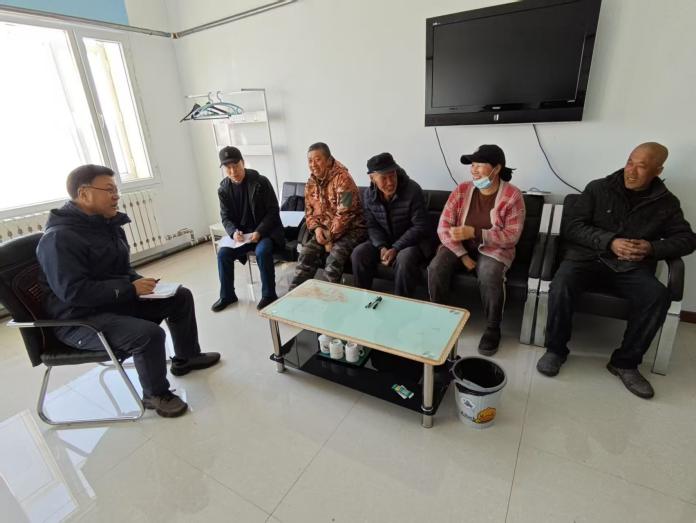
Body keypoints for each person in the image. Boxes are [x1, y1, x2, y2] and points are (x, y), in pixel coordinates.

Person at [37, 164, 220, 418]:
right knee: (148, 335)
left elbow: (122, 269)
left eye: (116, 190)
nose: (116, 196)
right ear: (84, 194)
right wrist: (129, 288)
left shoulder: (107, 225)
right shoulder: (59, 239)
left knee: (180, 296)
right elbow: (74, 292)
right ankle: (154, 394)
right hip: (80, 320)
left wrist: (140, 283)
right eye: (109, 190)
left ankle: (187, 357)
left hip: (113, 303)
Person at [536, 142, 696, 399]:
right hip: (586, 258)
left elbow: (687, 239)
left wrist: (651, 248)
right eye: (630, 162)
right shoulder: (598, 188)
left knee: (657, 295)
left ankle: (625, 363)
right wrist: (609, 241)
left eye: (641, 166)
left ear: (657, 171)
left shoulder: (666, 203)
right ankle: (555, 350)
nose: (631, 171)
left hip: (630, 267)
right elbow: (572, 226)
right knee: (562, 283)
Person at [428, 145, 525, 356]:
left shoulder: (512, 195)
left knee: (489, 273)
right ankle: (439, 317)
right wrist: (463, 256)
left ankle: (493, 328)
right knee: (436, 267)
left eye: (479, 165)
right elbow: (443, 227)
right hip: (459, 246)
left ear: (496, 168)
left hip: (494, 249)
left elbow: (511, 236)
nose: (474, 170)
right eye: (472, 165)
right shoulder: (462, 190)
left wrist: (476, 232)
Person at [212, 146, 285, 311]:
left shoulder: (260, 182)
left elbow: (273, 211)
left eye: (236, 166)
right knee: (223, 254)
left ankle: (269, 295)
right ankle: (227, 295)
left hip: (264, 233)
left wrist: (260, 231)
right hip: (242, 237)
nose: (233, 171)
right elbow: (225, 217)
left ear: (243, 163)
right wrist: (233, 232)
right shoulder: (223, 189)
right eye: (228, 168)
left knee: (263, 251)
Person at [351, 152, 430, 297]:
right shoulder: (368, 195)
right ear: (372, 178)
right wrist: (381, 246)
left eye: (392, 175)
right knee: (359, 253)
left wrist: (396, 247)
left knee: (404, 259)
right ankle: (362, 298)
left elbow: (420, 226)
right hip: (385, 242)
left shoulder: (413, 190)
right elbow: (372, 225)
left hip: (411, 243)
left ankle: (401, 302)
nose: (390, 182)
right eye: (384, 178)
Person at [290, 142, 366, 288]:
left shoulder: (344, 179)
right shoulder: (311, 183)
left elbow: (346, 214)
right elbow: (309, 213)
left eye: (317, 159)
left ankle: (327, 297)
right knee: (306, 253)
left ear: (329, 160)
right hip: (325, 231)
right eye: (310, 161)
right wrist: (317, 229)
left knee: (334, 259)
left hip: (352, 230)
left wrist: (330, 237)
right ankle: (295, 294)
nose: (313, 164)